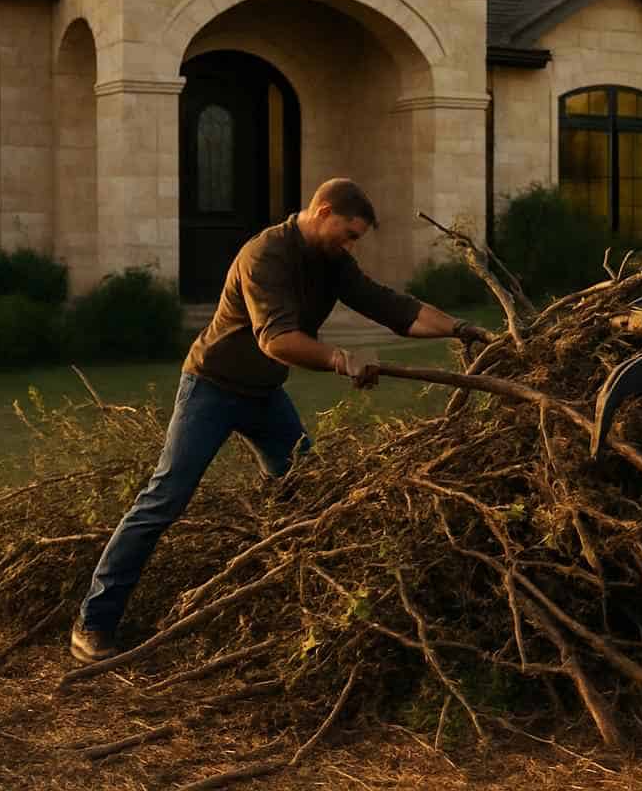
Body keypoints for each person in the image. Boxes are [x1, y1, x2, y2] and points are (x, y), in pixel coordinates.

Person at [70, 178, 494, 663]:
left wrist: (461, 329)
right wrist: (341, 359)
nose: (351, 244)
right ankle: (93, 622)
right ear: (324, 210)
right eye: (349, 233)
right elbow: (276, 340)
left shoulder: (332, 262)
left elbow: (392, 307)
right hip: (212, 388)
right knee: (164, 499)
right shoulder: (265, 255)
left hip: (265, 395)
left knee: (309, 494)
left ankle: (290, 618)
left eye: (356, 238)